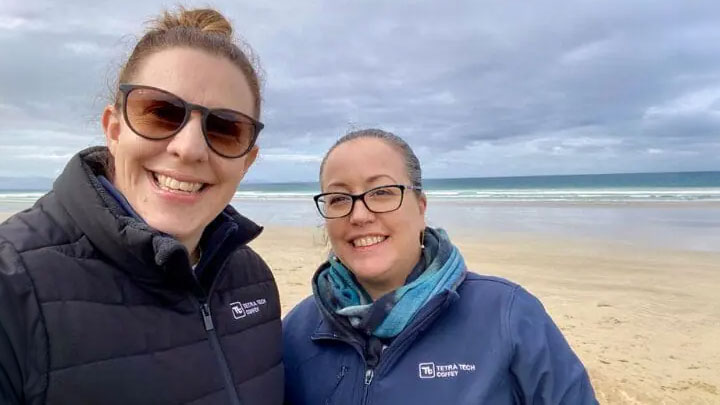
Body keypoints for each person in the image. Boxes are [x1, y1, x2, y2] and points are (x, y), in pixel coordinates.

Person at [0, 7, 282, 405]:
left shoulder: (253, 280)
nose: (188, 148)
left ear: (247, 161)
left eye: (224, 128)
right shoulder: (13, 286)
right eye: (161, 113)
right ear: (114, 129)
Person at [282, 129, 598, 404]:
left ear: (421, 208)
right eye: (338, 198)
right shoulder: (297, 331)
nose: (359, 215)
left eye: (381, 193)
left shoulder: (508, 315)